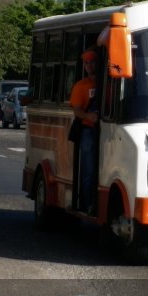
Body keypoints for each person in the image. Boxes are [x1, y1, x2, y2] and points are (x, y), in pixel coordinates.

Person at [69, 48, 99, 213]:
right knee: (88, 169)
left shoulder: (110, 83)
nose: (89, 65)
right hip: (88, 130)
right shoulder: (81, 86)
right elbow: (77, 111)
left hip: (109, 131)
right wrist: (90, 116)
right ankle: (88, 204)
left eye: (92, 61)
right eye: (86, 63)